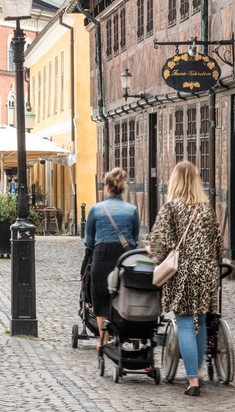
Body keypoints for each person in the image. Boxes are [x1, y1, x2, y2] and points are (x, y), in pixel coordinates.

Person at [147, 161, 223, 397]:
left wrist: (153, 252)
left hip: (182, 273)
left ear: (175, 181)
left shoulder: (171, 208)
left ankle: (192, 380)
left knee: (187, 324)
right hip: (206, 272)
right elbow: (218, 245)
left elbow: (159, 244)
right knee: (200, 321)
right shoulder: (206, 208)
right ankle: (197, 372)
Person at [84, 167, 140, 347]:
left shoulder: (96, 209)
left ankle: (103, 339)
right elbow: (135, 237)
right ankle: (126, 332)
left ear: (106, 187)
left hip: (102, 257)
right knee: (125, 292)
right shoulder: (132, 210)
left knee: (101, 297)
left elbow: (89, 240)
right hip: (125, 258)